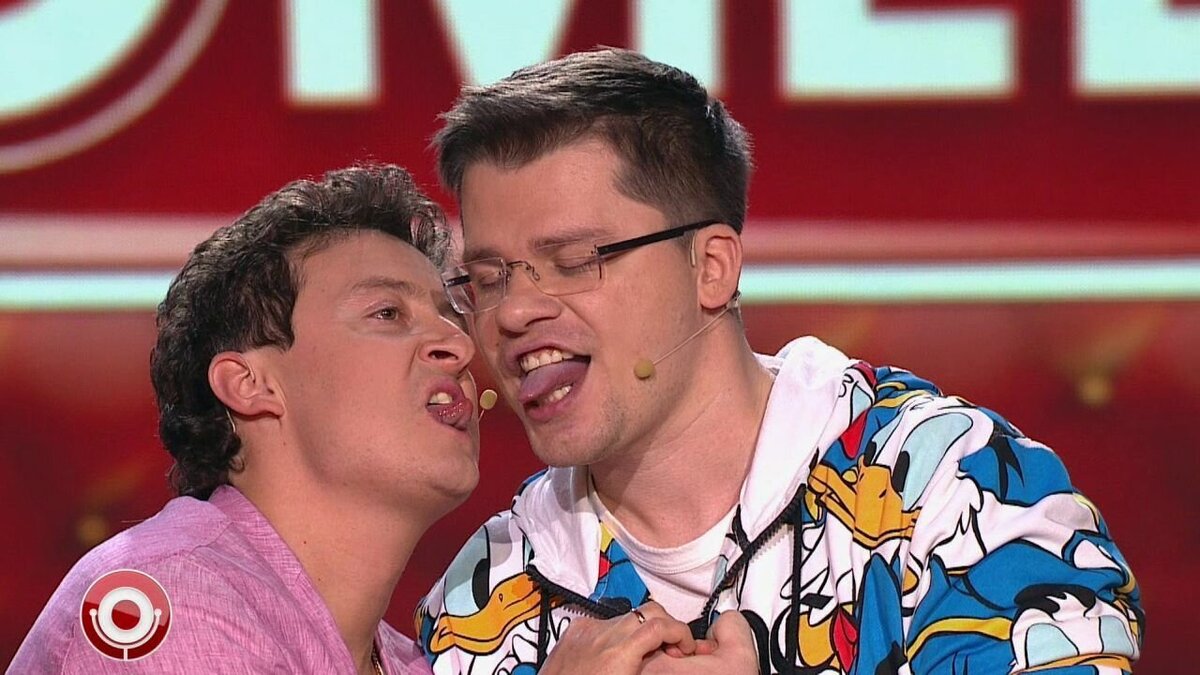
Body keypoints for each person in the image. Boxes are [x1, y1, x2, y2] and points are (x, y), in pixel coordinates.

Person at [416, 49, 1145, 674]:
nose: (512, 312)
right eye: (487, 278)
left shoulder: (954, 490)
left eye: (574, 260)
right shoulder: (478, 610)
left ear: (710, 268)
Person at [11, 164, 481, 674]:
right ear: (250, 385)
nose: (458, 344)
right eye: (387, 313)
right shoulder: (169, 597)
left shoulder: (411, 662)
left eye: (451, 316)